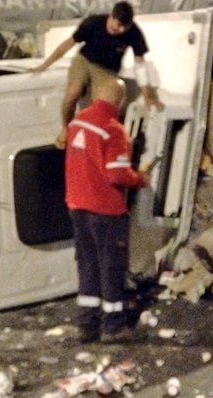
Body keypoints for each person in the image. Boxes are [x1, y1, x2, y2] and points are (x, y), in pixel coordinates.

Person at [65, 78, 151, 344]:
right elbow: (117, 174)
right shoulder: (112, 129)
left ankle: (86, 326)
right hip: (105, 210)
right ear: (120, 100)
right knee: (111, 268)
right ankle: (112, 327)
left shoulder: (78, 122)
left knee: (88, 265)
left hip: (78, 207)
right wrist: (139, 178)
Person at [32, 0, 163, 148]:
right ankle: (66, 128)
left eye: (124, 27)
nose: (120, 30)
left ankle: (95, 141)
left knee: (101, 106)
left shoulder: (133, 33)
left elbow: (140, 65)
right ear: (111, 17)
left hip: (107, 70)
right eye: (118, 25)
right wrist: (45, 65)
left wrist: (148, 96)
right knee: (73, 93)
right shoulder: (93, 23)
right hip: (84, 60)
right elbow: (67, 44)